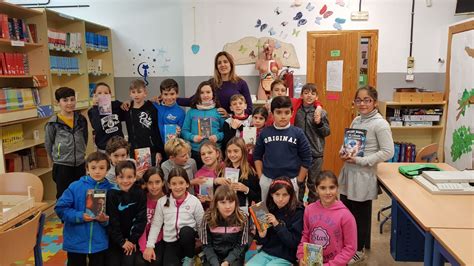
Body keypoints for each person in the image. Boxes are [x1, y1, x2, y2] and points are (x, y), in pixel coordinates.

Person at [338, 86, 394, 264]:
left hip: (363, 176)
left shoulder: (380, 124)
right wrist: (342, 151)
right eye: (359, 100)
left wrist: (362, 161)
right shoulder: (357, 120)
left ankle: (359, 250)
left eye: (367, 100)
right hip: (350, 173)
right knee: (347, 213)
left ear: (375, 102)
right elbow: (348, 142)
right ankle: (349, 245)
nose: (362, 104)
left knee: (360, 216)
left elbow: (388, 151)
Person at [55, 152, 114, 266]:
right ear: (87, 168)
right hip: (76, 242)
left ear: (107, 169)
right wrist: (79, 216)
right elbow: (60, 208)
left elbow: (116, 217)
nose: (97, 171)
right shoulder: (75, 186)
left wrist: (105, 220)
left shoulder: (111, 189)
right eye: (93, 168)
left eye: (102, 168)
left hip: (99, 243)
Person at [253, 96, 312, 201]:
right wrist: (261, 177)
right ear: (272, 114)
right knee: (266, 212)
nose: (283, 116)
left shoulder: (298, 133)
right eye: (279, 112)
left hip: (291, 180)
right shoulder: (265, 133)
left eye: (286, 112)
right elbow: (257, 156)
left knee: (290, 213)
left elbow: (307, 158)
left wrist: (299, 180)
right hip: (268, 179)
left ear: (292, 113)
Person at [143, 167, 205, 266]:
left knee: (186, 231)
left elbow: (202, 224)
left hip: (188, 242)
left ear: (187, 184)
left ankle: (190, 258)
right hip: (170, 243)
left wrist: (204, 243)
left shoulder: (194, 201)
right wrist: (150, 246)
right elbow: (156, 225)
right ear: (169, 185)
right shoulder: (162, 201)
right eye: (174, 184)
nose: (178, 187)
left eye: (181, 183)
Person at [296, 171, 357, 265]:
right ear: (316, 189)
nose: (328, 192)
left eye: (332, 187)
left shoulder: (346, 216)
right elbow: (305, 236)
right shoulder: (309, 210)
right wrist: (301, 256)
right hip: (312, 262)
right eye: (323, 188)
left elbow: (350, 248)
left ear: (337, 188)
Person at [246, 177, 304, 266]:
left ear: (291, 195)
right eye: (277, 194)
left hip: (286, 257)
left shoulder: (298, 212)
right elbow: (262, 242)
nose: (280, 199)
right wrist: (262, 235)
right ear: (271, 194)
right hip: (266, 253)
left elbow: (293, 243)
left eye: (285, 195)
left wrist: (277, 224)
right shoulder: (267, 209)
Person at [178, 51, 253, 117]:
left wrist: (230, 115)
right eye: (219, 63)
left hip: (233, 125)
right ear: (216, 67)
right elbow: (193, 100)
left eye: (225, 61)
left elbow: (249, 109)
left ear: (231, 64)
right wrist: (172, 99)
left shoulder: (241, 83)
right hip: (214, 124)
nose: (222, 65)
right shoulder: (211, 83)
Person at [45, 87, 88, 199]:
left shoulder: (81, 119)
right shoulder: (53, 123)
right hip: (62, 166)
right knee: (64, 196)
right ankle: (64, 216)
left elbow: (85, 139)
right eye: (65, 100)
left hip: (80, 164)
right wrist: (58, 158)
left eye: (72, 99)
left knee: (81, 194)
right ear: (58, 102)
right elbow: (48, 145)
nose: (70, 103)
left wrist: (80, 154)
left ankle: (80, 216)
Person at [293, 83, 330, 203]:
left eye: (313, 93)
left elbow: (327, 132)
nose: (309, 96)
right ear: (301, 95)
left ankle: (313, 206)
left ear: (317, 97)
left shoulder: (321, 112)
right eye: (306, 93)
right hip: (298, 153)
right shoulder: (296, 111)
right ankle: (298, 206)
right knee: (299, 182)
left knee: (313, 183)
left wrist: (319, 123)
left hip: (316, 153)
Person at [106, 160, 147, 266]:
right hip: (115, 240)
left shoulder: (140, 193)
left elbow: (141, 219)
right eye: (121, 177)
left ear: (134, 177)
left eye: (129, 177)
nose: (125, 181)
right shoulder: (111, 194)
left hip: (132, 239)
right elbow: (112, 220)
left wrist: (132, 240)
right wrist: (121, 241)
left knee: (128, 262)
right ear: (116, 179)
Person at [199, 185, 249, 266]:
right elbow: (206, 245)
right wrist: (215, 262)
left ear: (236, 202)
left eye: (231, 201)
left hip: (234, 255)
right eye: (223, 202)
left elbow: (241, 245)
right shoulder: (207, 217)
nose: (228, 206)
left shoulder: (242, 217)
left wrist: (227, 261)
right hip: (213, 255)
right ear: (216, 204)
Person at [181, 80, 225, 169]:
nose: (205, 95)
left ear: (213, 94)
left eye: (208, 92)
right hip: (196, 151)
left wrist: (217, 137)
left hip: (214, 151)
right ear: (198, 95)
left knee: (215, 177)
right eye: (202, 93)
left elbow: (225, 132)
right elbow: (184, 131)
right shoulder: (191, 112)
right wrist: (192, 137)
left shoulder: (218, 111)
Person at [124, 79, 164, 166]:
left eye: (139, 92)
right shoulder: (127, 109)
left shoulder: (152, 108)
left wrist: (158, 151)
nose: (136, 95)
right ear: (130, 94)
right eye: (133, 92)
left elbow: (156, 130)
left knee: (150, 175)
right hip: (134, 150)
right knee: (138, 176)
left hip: (150, 150)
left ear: (145, 93)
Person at [136, 167, 167, 266]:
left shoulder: (168, 200)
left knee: (156, 261)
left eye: (157, 182)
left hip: (159, 240)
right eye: (150, 183)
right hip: (141, 238)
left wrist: (151, 246)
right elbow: (140, 225)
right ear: (145, 184)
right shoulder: (141, 198)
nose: (154, 186)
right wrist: (144, 248)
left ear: (163, 182)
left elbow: (161, 228)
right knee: (139, 262)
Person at [223, 137, 261, 214]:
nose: (232, 154)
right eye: (229, 151)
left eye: (236, 151)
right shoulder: (223, 170)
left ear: (243, 151)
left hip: (243, 211)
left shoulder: (250, 172)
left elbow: (258, 197)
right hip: (226, 210)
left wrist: (246, 189)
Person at [87, 82, 125, 152]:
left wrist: (126, 103)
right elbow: (97, 127)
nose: (103, 95)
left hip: (119, 147)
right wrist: (95, 107)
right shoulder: (92, 111)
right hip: (103, 148)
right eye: (99, 93)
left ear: (110, 94)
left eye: (106, 93)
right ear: (94, 95)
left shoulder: (116, 105)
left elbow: (127, 115)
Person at [193, 141, 226, 208]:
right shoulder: (198, 175)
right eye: (203, 154)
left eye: (210, 152)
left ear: (217, 154)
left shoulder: (226, 167)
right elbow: (197, 196)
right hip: (209, 211)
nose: (206, 156)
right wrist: (200, 199)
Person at [153, 78, 185, 143]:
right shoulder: (155, 106)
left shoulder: (181, 113)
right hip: (155, 148)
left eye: (172, 94)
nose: (169, 97)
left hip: (171, 148)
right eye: (165, 94)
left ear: (177, 94)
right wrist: (130, 102)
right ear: (161, 95)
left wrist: (178, 132)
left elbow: (182, 134)